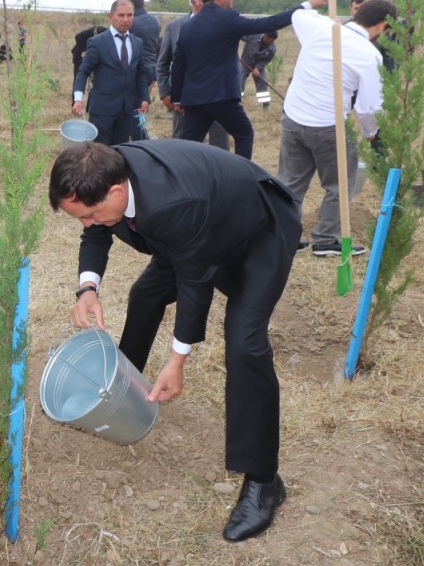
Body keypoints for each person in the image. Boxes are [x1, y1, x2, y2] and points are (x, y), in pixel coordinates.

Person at [50, 139, 301, 542]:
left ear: (117, 192)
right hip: (200, 227)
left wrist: (177, 359)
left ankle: (264, 481)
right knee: (145, 295)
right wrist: (87, 288)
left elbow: (194, 283)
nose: (87, 223)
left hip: (259, 228)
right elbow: (96, 231)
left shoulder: (170, 203)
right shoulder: (102, 172)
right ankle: (121, 386)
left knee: (244, 343)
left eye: (92, 214)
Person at [277, 0, 397, 257]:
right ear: (382, 25)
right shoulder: (369, 54)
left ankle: (282, 235)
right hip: (328, 127)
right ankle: (326, 239)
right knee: (339, 184)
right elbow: (368, 108)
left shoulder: (321, 29)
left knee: (290, 183)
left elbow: (297, 15)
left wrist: (315, 10)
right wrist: (371, 133)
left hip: (292, 118)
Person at [172, 0, 328, 160]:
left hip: (194, 99)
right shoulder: (228, 18)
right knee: (244, 134)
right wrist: (306, 5)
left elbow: (179, 63)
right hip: (222, 98)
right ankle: (241, 178)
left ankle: (179, 180)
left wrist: (177, 98)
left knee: (187, 147)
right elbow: (270, 23)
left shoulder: (188, 26)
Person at [156, 0, 231, 148]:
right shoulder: (174, 27)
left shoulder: (220, 25)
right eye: (205, 2)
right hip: (183, 102)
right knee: (183, 146)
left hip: (216, 98)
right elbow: (162, 63)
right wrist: (166, 94)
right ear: (193, 3)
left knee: (220, 147)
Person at [72, 0, 150, 145]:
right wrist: (78, 99)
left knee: (120, 151)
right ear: (110, 16)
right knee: (100, 154)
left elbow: (140, 74)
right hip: (102, 110)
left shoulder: (137, 43)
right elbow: (83, 71)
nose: (125, 19)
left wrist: (144, 98)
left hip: (127, 109)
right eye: (121, 15)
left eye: (129, 15)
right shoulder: (97, 42)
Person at [238, 31, 278, 100]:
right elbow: (240, 35)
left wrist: (257, 68)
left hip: (259, 67)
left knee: (262, 84)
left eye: (273, 41)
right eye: (270, 40)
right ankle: (238, 99)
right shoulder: (253, 35)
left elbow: (266, 60)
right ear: (265, 36)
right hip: (245, 63)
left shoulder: (272, 49)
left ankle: (265, 104)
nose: (271, 42)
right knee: (239, 80)